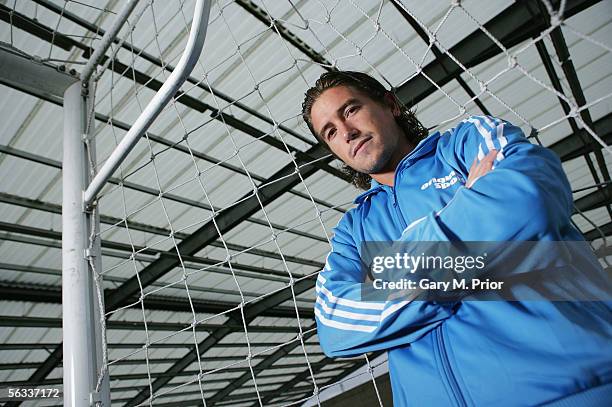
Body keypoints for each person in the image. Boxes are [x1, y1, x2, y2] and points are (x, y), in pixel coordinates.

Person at [302, 71, 611, 406]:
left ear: (390, 104)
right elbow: (335, 324)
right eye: (330, 132)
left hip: (569, 392)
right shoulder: (353, 229)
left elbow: (527, 203)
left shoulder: (468, 143)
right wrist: (471, 216)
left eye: (350, 110)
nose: (346, 133)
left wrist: (392, 271)